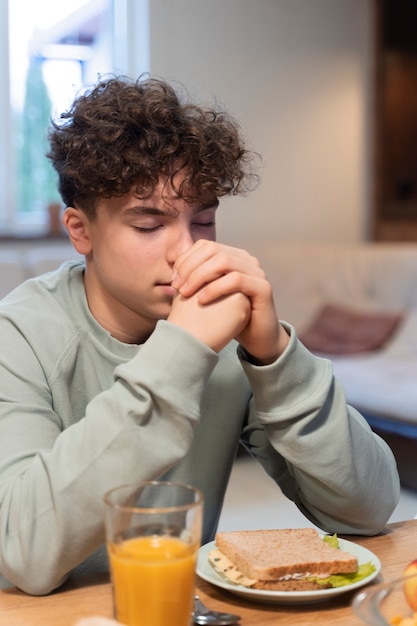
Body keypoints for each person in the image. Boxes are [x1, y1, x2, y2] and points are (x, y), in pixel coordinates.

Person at [0, 74, 399, 595]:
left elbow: (364, 511)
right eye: (148, 226)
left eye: (203, 221)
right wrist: (182, 350)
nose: (186, 252)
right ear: (81, 231)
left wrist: (277, 355)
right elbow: (21, 552)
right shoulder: (19, 334)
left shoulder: (227, 334)